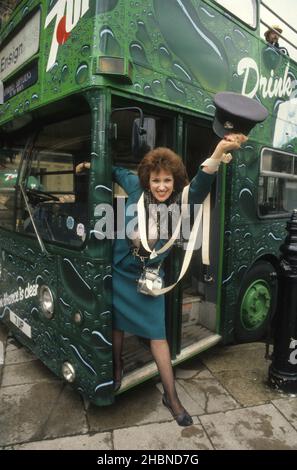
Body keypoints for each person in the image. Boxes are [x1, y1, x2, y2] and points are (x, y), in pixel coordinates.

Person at [77, 132, 247, 426]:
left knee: (158, 336)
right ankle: (116, 369)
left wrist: (219, 149)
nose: (161, 186)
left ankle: (172, 397)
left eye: (167, 180)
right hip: (120, 273)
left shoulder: (182, 199)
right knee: (116, 325)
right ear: (147, 180)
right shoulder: (135, 188)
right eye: (156, 180)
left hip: (149, 280)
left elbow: (204, 179)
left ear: (175, 181)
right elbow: (115, 170)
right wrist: (89, 166)